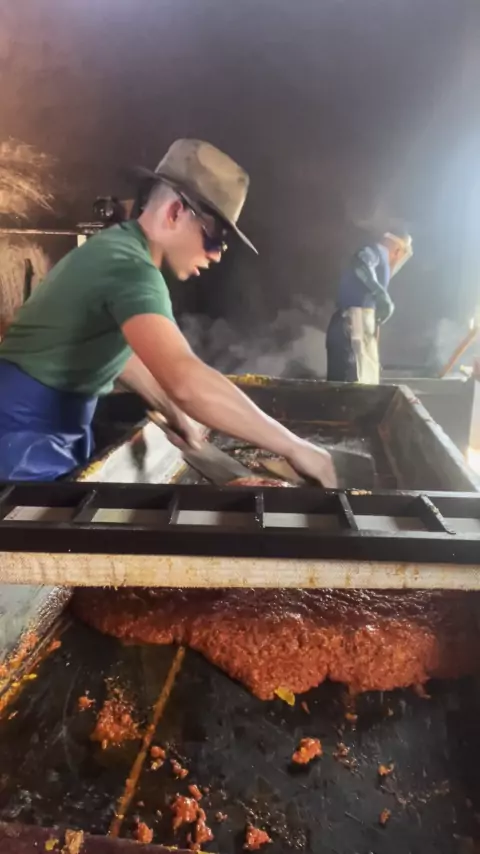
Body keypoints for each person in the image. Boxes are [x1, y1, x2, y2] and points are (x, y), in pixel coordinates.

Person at [0, 139, 337, 486]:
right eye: (215, 237)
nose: (217, 254)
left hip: (40, 433)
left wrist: (172, 410)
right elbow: (186, 381)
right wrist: (296, 448)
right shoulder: (131, 269)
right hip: (19, 443)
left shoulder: (116, 247)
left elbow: (116, 356)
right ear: (175, 212)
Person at [326, 230, 413, 384]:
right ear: (398, 250)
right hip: (353, 323)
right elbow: (361, 264)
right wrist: (380, 295)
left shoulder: (378, 258)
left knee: (360, 378)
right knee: (356, 381)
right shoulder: (374, 252)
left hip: (351, 324)